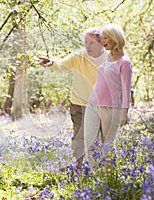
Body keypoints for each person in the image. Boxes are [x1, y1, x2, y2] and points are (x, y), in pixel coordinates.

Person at [39, 28, 107, 168]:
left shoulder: (109, 58)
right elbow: (62, 64)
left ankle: (99, 172)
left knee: (98, 140)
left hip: (101, 105)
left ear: (101, 43)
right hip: (79, 104)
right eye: (86, 42)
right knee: (79, 138)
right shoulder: (78, 56)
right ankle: (77, 170)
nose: (88, 46)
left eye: (91, 43)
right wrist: (51, 62)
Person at [83, 23, 132, 170]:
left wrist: (124, 113)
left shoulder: (125, 63)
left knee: (107, 146)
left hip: (112, 109)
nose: (103, 41)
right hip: (92, 105)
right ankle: (95, 178)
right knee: (89, 142)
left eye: (106, 38)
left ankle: (110, 180)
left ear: (115, 38)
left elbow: (126, 90)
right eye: (102, 38)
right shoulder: (106, 56)